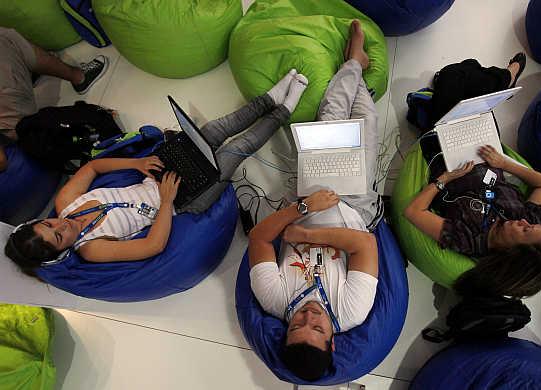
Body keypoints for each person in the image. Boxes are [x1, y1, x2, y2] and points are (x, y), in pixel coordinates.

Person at [4, 70, 309, 275]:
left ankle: (270, 98)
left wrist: (136, 164)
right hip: (180, 202)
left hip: (156, 175)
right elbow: (153, 245)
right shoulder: (92, 249)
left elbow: (94, 166)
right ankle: (286, 108)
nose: (62, 225)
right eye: (59, 235)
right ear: (61, 251)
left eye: (49, 222)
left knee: (212, 130)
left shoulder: (66, 202)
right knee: (234, 151)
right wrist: (166, 201)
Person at [248, 20, 383, 381]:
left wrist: (305, 210)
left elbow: (259, 238)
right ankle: (356, 65)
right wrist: (305, 237)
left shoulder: (273, 299)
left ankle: (353, 62)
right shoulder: (351, 311)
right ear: (333, 341)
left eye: (297, 326)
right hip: (354, 207)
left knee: (333, 118)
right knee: (366, 123)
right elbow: (364, 245)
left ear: (285, 333)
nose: (309, 315)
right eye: (318, 328)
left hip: (310, 200)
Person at [404, 137, 541, 298]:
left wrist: (446, 178)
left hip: (445, 158)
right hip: (484, 153)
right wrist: (504, 163)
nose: (524, 222)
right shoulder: (531, 219)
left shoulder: (468, 238)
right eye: (530, 225)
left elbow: (414, 211)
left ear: (513, 252)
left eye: (525, 230)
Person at [0, 27, 109, 171]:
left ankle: (72, 75)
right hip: (13, 131)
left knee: (6, 37)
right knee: (6, 41)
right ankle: (78, 76)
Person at [429, 53, 526, 126]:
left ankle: (506, 79)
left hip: (439, 130)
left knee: (461, 70)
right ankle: (507, 80)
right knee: (468, 66)